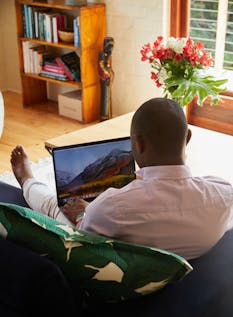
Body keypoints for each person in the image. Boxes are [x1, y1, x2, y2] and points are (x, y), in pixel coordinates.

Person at [11, 98, 233, 260]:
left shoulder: (112, 206)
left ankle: (27, 180)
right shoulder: (223, 194)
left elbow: (82, 235)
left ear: (137, 143)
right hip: (189, 291)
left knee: (56, 208)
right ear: (188, 138)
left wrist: (83, 212)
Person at [98, 36, 114, 121]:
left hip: (109, 78)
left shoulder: (109, 55)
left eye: (112, 47)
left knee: (108, 97)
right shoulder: (102, 54)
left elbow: (109, 66)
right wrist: (107, 73)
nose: (111, 49)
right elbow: (101, 66)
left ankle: (109, 115)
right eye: (109, 46)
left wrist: (111, 73)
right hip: (105, 79)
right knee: (104, 97)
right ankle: (104, 116)